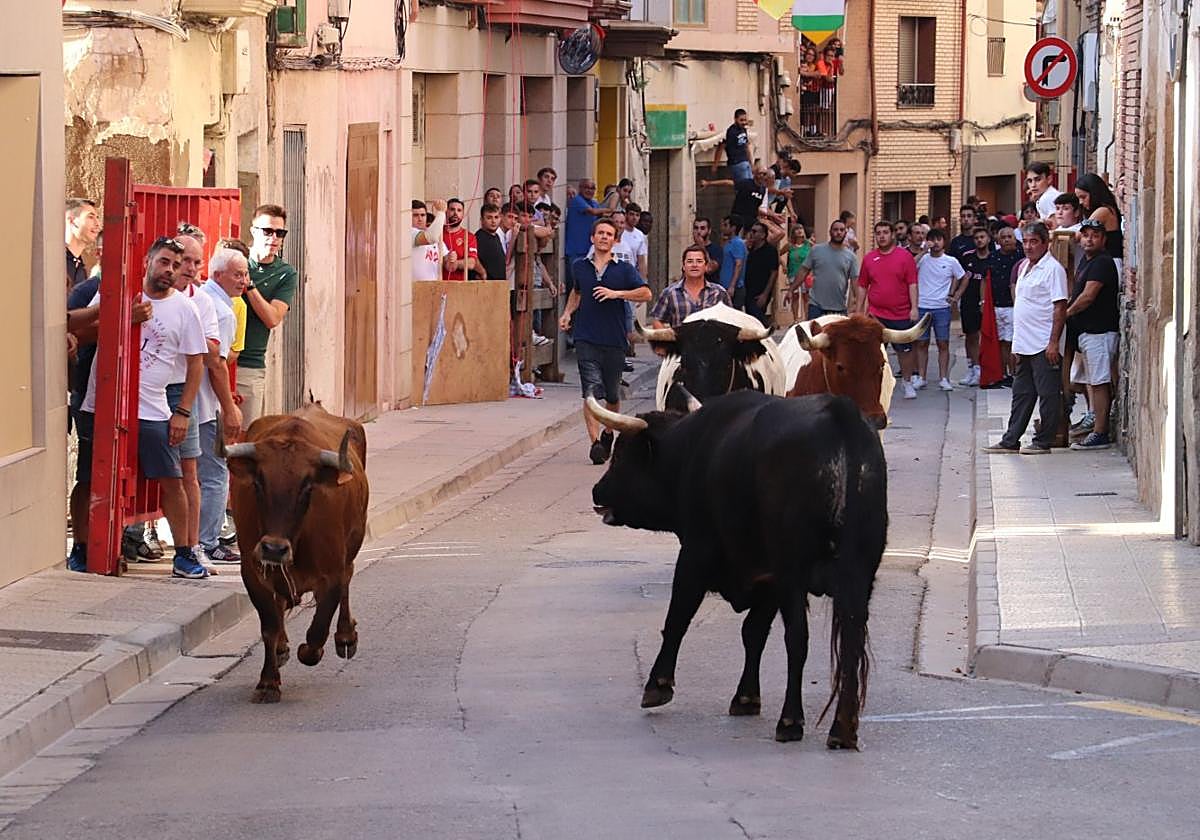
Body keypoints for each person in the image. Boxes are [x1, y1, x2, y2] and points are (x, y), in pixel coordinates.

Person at [76, 237, 211, 577]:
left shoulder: (185, 308)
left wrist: (183, 412)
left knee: (172, 479)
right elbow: (83, 332)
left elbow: (196, 362)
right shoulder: (118, 293)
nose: (170, 270)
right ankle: (82, 548)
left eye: (176, 265)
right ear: (148, 261)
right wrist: (125, 318)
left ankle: (184, 554)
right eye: (164, 262)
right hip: (103, 404)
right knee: (89, 478)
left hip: (153, 409)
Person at [559, 219, 651, 465]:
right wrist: (567, 313)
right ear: (592, 238)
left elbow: (646, 293)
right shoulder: (580, 266)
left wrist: (617, 293)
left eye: (609, 234)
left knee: (611, 393)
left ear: (615, 240)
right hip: (585, 336)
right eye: (600, 233)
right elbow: (577, 292)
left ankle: (608, 432)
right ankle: (595, 443)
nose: (604, 237)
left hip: (614, 338)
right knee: (590, 391)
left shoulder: (624, 269)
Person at [982, 222, 1068, 455]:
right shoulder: (1023, 267)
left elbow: (1060, 307)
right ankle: (1011, 439)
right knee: (1021, 393)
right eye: (1026, 242)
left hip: (1043, 342)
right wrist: (1017, 344)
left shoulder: (1053, 269)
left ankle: (1044, 441)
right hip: (1025, 342)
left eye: (1034, 242)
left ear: (1045, 243)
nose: (1029, 247)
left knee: (1047, 394)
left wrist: (1053, 342)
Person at [196, 248, 246, 564]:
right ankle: (208, 541)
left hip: (191, 401)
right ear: (218, 275)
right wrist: (229, 408)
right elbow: (217, 365)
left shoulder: (202, 299)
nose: (244, 281)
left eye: (245, 274)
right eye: (237, 274)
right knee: (215, 474)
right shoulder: (223, 313)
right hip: (205, 405)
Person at [1064, 219, 1121, 450]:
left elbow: (1088, 297)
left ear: (1103, 239)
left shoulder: (1102, 263)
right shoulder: (1087, 261)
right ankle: (1095, 425)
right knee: (1090, 381)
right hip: (1089, 333)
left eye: (1095, 235)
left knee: (1099, 383)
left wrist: (1066, 313)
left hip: (1099, 332)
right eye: (1086, 235)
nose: (1089, 239)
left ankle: (1100, 432)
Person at [241, 204, 299, 426]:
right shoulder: (237, 260)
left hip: (250, 364)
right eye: (267, 231)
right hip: (218, 362)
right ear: (253, 231)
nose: (274, 238)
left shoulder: (285, 273)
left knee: (246, 432)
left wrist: (250, 286)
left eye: (280, 233)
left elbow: (273, 318)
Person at [855, 220, 919, 398]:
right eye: (878, 233)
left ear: (892, 235)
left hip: (901, 313)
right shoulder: (869, 258)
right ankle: (875, 385)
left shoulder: (905, 257)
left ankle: (907, 382)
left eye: (885, 232)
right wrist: (859, 311)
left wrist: (914, 308)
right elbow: (862, 286)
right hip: (876, 314)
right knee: (873, 352)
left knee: (904, 351)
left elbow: (912, 283)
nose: (881, 236)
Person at [914, 228, 967, 392]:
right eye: (932, 239)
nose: (935, 243)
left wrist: (956, 296)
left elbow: (964, 277)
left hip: (942, 307)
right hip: (922, 305)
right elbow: (909, 266)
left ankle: (944, 378)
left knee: (943, 343)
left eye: (939, 239)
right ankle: (921, 377)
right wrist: (923, 251)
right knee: (921, 343)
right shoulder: (923, 259)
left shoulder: (951, 261)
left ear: (944, 242)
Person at [650, 244, 731, 329]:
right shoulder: (670, 293)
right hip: (680, 337)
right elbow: (657, 320)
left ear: (706, 266)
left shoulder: (719, 293)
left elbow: (731, 320)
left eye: (699, 261)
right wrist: (668, 336)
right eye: (690, 261)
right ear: (683, 266)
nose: (694, 265)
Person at [799, 218, 858, 319]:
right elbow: (804, 270)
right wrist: (791, 289)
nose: (838, 232)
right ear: (830, 232)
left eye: (841, 230)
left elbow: (855, 281)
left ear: (845, 233)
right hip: (816, 306)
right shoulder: (816, 250)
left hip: (839, 308)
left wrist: (858, 303)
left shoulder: (851, 256)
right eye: (835, 229)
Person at [958, 225, 995, 386]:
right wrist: (955, 295)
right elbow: (961, 277)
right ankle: (972, 368)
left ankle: (985, 368)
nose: (979, 240)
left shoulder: (994, 257)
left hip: (988, 302)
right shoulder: (967, 257)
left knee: (986, 336)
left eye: (982, 237)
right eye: (976, 238)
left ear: (988, 239)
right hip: (968, 301)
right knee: (971, 335)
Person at [990, 226, 1024, 382]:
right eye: (1003, 237)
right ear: (998, 240)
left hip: (1014, 305)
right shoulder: (993, 257)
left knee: (1012, 341)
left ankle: (1013, 372)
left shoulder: (1021, 256)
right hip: (996, 304)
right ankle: (1002, 373)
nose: (1007, 240)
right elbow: (986, 280)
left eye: (1010, 237)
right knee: (1000, 341)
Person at [565, 179, 610, 290]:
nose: (589, 190)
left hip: (591, 251)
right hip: (575, 250)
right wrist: (611, 208)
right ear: (580, 188)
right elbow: (592, 212)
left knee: (588, 285)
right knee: (575, 286)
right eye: (586, 187)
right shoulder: (577, 200)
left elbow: (603, 217)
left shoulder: (595, 203)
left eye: (592, 188)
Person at [1074, 173, 1124, 268]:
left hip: (1109, 262)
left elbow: (1079, 235)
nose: (1080, 202)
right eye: (1078, 198)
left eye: (1083, 197)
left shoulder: (1103, 211)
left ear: (1094, 194)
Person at [743, 219, 784, 326]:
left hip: (761, 290)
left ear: (763, 235)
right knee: (750, 318)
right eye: (751, 231)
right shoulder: (750, 250)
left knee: (757, 318)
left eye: (755, 231)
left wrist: (765, 294)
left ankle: (768, 327)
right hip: (748, 289)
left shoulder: (770, 251)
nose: (752, 234)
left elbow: (774, 273)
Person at [66, 198, 101, 292]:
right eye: (90, 217)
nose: (98, 224)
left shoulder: (81, 267)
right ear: (72, 221)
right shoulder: (56, 262)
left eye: (97, 218)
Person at [712, 108, 753, 183]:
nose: (744, 122)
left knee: (750, 184)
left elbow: (746, 146)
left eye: (745, 120)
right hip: (737, 163)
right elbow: (721, 147)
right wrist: (715, 165)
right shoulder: (731, 131)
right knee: (744, 185)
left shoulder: (743, 130)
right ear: (735, 119)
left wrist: (751, 163)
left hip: (745, 162)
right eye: (741, 120)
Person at [441, 198, 478, 282]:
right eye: (452, 209)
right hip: (437, 284)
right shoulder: (438, 233)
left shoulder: (469, 237)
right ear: (446, 212)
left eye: (459, 210)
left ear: (463, 214)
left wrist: (455, 263)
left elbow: (472, 263)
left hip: (459, 286)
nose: (455, 213)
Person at [411, 199, 447, 281]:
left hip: (433, 286)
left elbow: (449, 265)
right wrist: (441, 213)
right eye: (415, 215)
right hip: (415, 287)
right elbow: (431, 237)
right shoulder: (409, 232)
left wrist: (452, 259)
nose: (420, 219)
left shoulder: (434, 236)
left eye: (423, 215)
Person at [718, 215, 749, 309]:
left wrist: (732, 286)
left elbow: (738, 264)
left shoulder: (737, 243)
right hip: (724, 286)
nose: (723, 228)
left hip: (733, 287)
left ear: (733, 228)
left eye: (726, 225)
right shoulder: (729, 242)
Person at [784, 223, 812, 322]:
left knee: (806, 296)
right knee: (795, 296)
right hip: (793, 273)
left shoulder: (809, 244)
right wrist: (783, 265)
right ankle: (795, 319)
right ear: (793, 233)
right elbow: (778, 254)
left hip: (806, 274)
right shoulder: (790, 246)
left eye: (801, 228)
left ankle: (806, 318)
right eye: (797, 229)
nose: (800, 231)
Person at [475, 203, 507, 282]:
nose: (493, 221)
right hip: (485, 285)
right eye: (489, 218)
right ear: (482, 220)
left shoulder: (497, 237)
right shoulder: (478, 238)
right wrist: (482, 273)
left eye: (496, 217)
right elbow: (473, 260)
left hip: (499, 284)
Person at [692, 216, 723, 286]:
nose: (699, 232)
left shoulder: (717, 249)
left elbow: (710, 269)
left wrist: (702, 247)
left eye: (702, 228)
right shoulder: (691, 249)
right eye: (696, 228)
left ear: (709, 231)